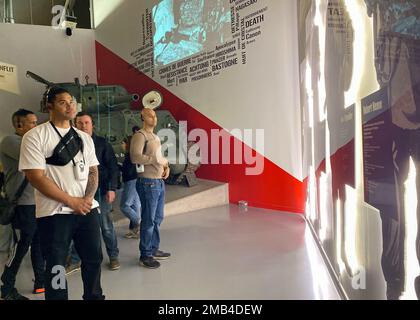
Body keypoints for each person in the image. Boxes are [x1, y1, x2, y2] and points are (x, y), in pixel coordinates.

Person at [19, 87, 104, 300]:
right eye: (63, 102)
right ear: (50, 106)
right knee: (56, 265)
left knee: (93, 258)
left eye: (72, 101)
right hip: (54, 212)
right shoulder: (35, 136)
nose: (70, 105)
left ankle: (94, 296)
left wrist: (86, 200)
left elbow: (93, 169)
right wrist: (71, 201)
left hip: (87, 209)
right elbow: (36, 177)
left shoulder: (84, 137)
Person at [365, 0, 420, 300]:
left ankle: (396, 283)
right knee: (391, 203)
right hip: (392, 102)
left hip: (403, 94)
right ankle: (393, 282)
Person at [0, 109, 44, 300]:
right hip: (22, 205)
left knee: (38, 244)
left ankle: (40, 282)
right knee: (21, 245)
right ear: (19, 125)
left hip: (37, 202)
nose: (36, 126)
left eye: (36, 122)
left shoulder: (31, 142)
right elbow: (37, 158)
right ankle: (6, 286)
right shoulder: (10, 142)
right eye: (32, 123)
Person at [70, 112, 120, 271]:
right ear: (75, 124)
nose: (83, 126)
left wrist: (112, 188)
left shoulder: (102, 143)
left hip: (101, 190)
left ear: (92, 125)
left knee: (106, 226)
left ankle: (113, 256)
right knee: (78, 227)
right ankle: (76, 259)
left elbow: (113, 167)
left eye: (86, 123)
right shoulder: (71, 144)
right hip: (79, 193)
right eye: (80, 123)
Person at [130, 108, 171, 269]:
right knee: (148, 220)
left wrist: (166, 166)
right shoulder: (140, 136)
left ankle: (153, 248)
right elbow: (135, 157)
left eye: (154, 115)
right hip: (148, 183)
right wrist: (155, 160)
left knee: (157, 218)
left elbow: (160, 158)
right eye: (150, 115)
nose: (153, 118)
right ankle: (145, 254)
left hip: (158, 182)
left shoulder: (155, 136)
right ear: (142, 117)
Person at [120, 126, 141, 239]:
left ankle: (138, 222)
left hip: (131, 181)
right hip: (135, 179)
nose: (121, 145)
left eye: (123, 143)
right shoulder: (133, 154)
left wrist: (120, 168)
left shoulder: (129, 156)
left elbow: (128, 170)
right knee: (135, 205)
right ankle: (134, 230)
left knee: (125, 205)